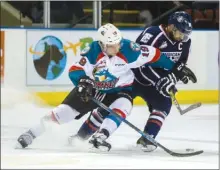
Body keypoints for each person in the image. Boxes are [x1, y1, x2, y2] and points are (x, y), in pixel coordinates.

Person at [16, 23, 169, 151]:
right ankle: (32, 133)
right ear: (102, 45)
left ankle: (101, 136)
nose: (116, 47)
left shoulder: (130, 49)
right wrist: (83, 82)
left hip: (120, 90)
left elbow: (155, 55)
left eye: (118, 42)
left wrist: (175, 67)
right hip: (93, 88)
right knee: (64, 113)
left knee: (124, 105)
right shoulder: (93, 51)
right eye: (111, 45)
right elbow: (75, 70)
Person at [68, 11, 197, 152]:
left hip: (154, 84)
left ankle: (147, 139)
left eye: (186, 35)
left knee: (164, 104)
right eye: (180, 33)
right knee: (108, 106)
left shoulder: (185, 42)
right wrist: (160, 80)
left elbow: (178, 66)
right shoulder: (153, 34)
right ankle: (80, 136)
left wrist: (175, 76)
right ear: (171, 27)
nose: (182, 38)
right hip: (132, 80)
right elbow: (139, 63)